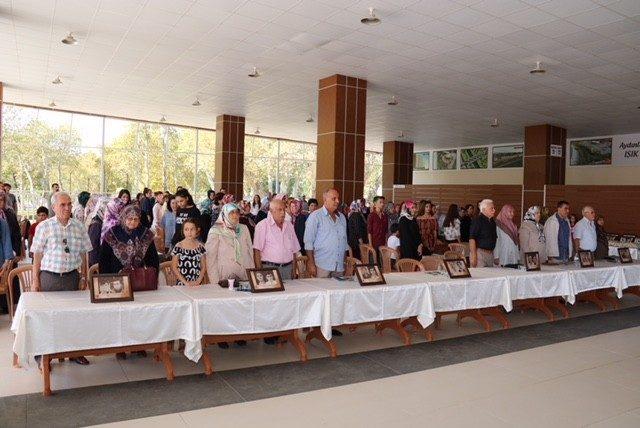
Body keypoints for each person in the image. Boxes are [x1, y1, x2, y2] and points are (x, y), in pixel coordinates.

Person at [31, 192, 92, 365]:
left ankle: (73, 352)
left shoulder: (79, 226)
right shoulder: (44, 226)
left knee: (73, 318)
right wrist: (36, 280)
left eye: (69, 204)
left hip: (72, 278)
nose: (67, 208)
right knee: (46, 319)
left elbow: (84, 254)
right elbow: (37, 255)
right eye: (62, 205)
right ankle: (43, 357)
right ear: (54, 207)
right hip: (49, 278)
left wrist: (83, 277)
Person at [99, 205, 159, 277]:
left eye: (136, 219)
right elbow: (104, 259)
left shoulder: (146, 234)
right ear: (124, 218)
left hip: (140, 279)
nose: (133, 222)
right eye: (130, 219)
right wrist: (105, 279)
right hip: (116, 278)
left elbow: (153, 259)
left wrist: (153, 277)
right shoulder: (112, 233)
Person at [205, 203, 254, 285]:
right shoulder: (215, 230)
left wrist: (251, 274)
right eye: (231, 212)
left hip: (244, 275)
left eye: (237, 212)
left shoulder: (243, 228)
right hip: (223, 277)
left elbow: (249, 252)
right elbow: (211, 257)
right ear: (225, 214)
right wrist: (215, 281)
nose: (235, 215)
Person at [304, 189, 348, 278]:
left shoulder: (342, 217)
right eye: (334, 199)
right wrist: (311, 263)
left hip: (339, 266)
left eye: (338, 198)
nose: (337, 201)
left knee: (338, 291)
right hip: (322, 265)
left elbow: (344, 241)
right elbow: (308, 242)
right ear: (325, 199)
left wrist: (344, 262)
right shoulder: (315, 216)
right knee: (321, 291)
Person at [253, 198, 300, 280]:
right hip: (269, 269)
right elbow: (257, 251)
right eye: (279, 210)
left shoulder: (289, 226)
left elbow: (294, 250)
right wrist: (260, 272)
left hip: (288, 269)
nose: (283, 212)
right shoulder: (262, 225)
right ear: (271, 211)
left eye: (284, 209)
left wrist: (294, 270)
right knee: (272, 293)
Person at [171, 219, 207, 286]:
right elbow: (174, 267)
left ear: (196, 230)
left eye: (192, 229)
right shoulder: (178, 246)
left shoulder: (200, 246)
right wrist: (185, 283)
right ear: (183, 231)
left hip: (197, 284)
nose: (189, 232)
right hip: (182, 284)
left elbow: (203, 266)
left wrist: (198, 281)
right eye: (186, 229)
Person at [469, 199, 497, 267]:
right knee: (480, 276)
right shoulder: (477, 220)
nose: (494, 210)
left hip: (490, 254)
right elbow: (472, 239)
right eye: (491, 208)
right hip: (479, 254)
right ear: (484, 210)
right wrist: (473, 256)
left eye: (494, 208)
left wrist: (495, 255)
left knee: (490, 277)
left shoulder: (492, 222)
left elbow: (494, 238)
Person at [86, 197, 109, 266]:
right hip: (97, 265)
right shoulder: (96, 225)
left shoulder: (101, 222)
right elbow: (93, 248)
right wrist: (95, 267)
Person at [367, 196, 388, 262]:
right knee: (373, 263)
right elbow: (369, 231)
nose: (382, 204)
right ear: (375, 204)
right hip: (374, 243)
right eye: (380, 202)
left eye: (383, 202)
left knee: (382, 262)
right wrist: (370, 245)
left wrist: (386, 242)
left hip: (382, 243)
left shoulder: (385, 216)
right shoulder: (371, 215)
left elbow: (386, 231)